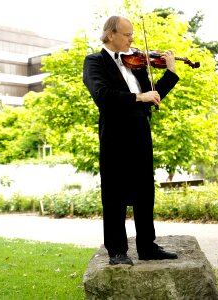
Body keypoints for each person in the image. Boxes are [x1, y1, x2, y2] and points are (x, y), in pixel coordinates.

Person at [83, 15, 179, 266]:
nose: (133, 39)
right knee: (114, 192)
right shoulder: (94, 61)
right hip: (115, 135)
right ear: (110, 34)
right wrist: (139, 97)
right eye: (127, 35)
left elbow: (153, 96)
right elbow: (102, 96)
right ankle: (117, 251)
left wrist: (170, 72)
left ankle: (147, 246)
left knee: (144, 191)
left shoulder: (136, 64)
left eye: (133, 34)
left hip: (140, 132)